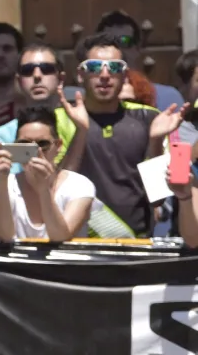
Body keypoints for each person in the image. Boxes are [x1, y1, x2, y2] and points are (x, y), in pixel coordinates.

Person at [56, 32, 184, 238]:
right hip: (76, 246)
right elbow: (56, 189)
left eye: (114, 67)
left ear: (125, 76)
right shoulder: (59, 119)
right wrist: (81, 130)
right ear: (80, 74)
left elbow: (159, 199)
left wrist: (156, 141)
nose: (105, 75)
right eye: (95, 67)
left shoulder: (150, 118)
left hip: (136, 247)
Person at [0, 106, 95, 242]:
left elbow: (60, 237)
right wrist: (1, 181)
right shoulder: (0, 187)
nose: (36, 152)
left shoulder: (79, 186)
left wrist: (43, 190)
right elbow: (5, 235)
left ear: (58, 146)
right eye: (25, 144)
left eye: (43, 144)